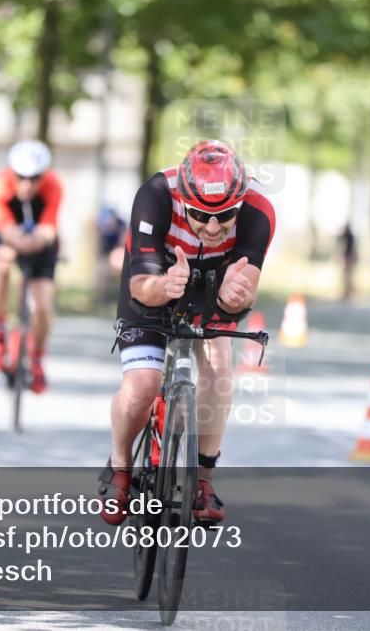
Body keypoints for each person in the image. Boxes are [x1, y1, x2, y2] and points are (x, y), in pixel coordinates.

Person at [98, 140, 276, 526]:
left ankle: (203, 480)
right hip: (153, 281)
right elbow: (140, 285)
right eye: (199, 214)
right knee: (143, 385)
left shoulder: (258, 211)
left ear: (239, 202)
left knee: (219, 369)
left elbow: (244, 292)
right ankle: (120, 467)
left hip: (213, 287)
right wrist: (165, 286)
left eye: (224, 216)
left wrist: (233, 295)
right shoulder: (156, 195)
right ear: (184, 199)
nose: (212, 227)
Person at [0, 140, 62, 394]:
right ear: (12, 173)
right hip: (10, 234)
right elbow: (6, 229)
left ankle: (37, 358)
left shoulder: (54, 185)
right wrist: (18, 244)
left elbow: (49, 228)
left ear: (43, 175)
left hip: (41, 240)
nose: (27, 184)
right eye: (21, 177)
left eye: (34, 178)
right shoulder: (0, 185)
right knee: (1, 265)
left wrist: (37, 240)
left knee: (43, 307)